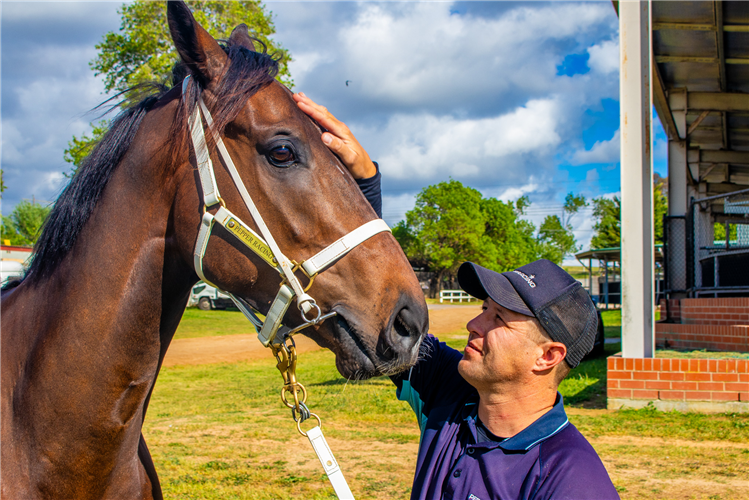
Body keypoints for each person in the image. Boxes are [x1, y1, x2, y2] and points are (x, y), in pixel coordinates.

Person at [294, 93, 619, 500]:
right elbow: (384, 325)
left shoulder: (571, 480)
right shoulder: (452, 393)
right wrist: (365, 184)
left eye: (497, 319)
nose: (473, 324)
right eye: (485, 309)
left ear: (548, 356)